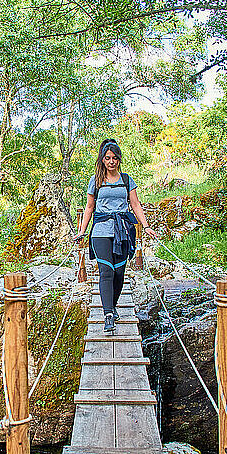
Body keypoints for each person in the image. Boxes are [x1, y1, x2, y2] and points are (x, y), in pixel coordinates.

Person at [74, 139, 157, 332]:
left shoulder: (127, 180)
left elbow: (135, 205)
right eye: (108, 158)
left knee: (119, 273)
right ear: (102, 160)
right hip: (101, 232)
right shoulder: (95, 181)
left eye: (115, 158)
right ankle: (108, 314)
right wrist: (82, 231)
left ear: (119, 160)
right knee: (107, 271)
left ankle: (112, 304)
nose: (111, 161)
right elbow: (89, 207)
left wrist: (145, 226)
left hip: (123, 231)